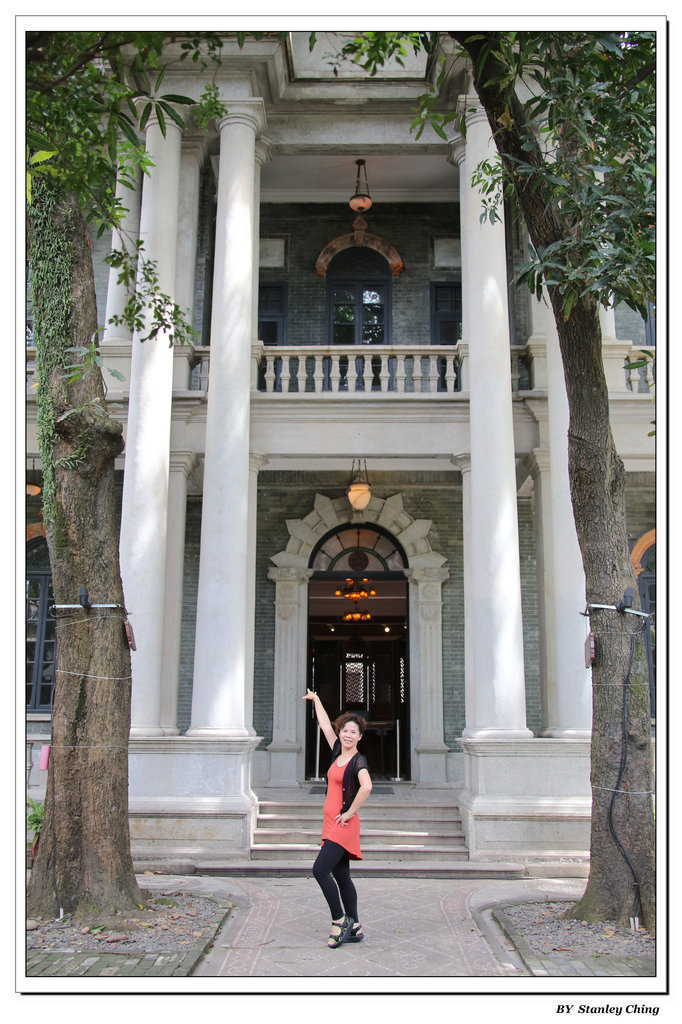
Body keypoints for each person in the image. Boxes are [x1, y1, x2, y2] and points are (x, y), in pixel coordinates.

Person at [303, 688, 373, 948]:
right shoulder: (337, 751)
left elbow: (367, 786)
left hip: (343, 825)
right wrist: (317, 700)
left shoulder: (357, 761)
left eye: (353, 732)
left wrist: (350, 812)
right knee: (342, 876)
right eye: (345, 730)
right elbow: (324, 725)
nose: (347, 734)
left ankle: (339, 920)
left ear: (360, 736)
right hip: (331, 823)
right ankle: (354, 926)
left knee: (320, 870)